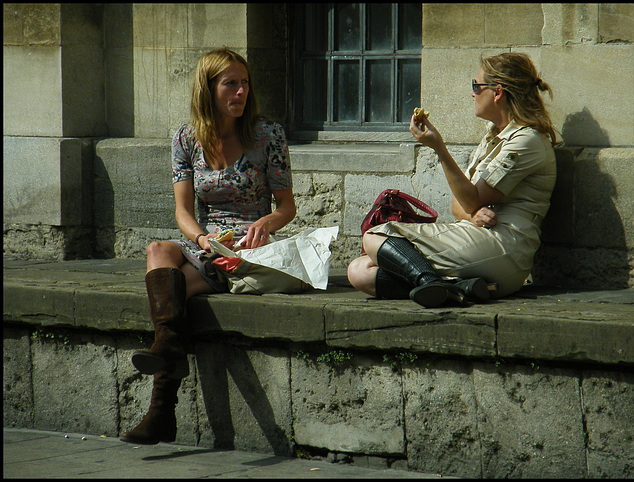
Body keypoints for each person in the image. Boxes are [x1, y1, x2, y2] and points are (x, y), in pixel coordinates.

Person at [120, 48, 296, 445]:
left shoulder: (268, 135)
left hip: (247, 244)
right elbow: (183, 211)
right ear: (208, 88)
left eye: (245, 83)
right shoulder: (186, 138)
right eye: (230, 83)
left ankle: (162, 401)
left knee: (175, 287)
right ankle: (168, 349)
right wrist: (201, 238)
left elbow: (287, 206)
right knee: (157, 251)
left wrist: (267, 222)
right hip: (205, 238)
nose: (241, 92)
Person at [347, 52, 558, 308]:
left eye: (476, 86)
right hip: (476, 239)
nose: (473, 93)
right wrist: (472, 215)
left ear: (498, 92)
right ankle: (460, 289)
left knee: (375, 236)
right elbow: (458, 206)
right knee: (359, 271)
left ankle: (430, 283)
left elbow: (470, 199)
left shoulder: (526, 141)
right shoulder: (494, 136)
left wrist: (440, 149)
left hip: (504, 248)